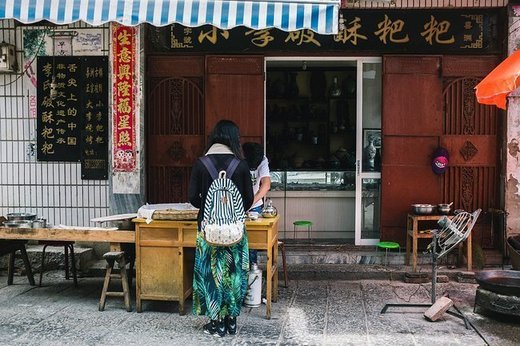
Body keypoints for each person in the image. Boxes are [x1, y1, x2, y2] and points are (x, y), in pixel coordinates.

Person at [188, 120, 253, 338]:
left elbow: (192, 199)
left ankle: (216, 324)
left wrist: (211, 208)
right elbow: (248, 200)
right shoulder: (241, 165)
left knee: (210, 275)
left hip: (207, 232)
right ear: (234, 139)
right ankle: (232, 322)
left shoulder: (201, 163)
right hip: (235, 232)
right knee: (233, 274)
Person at [242, 142, 271, 265]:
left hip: (255, 205)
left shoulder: (262, 159)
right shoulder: (237, 157)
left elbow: (266, 185)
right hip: (236, 205)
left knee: (252, 242)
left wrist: (251, 202)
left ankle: (252, 273)